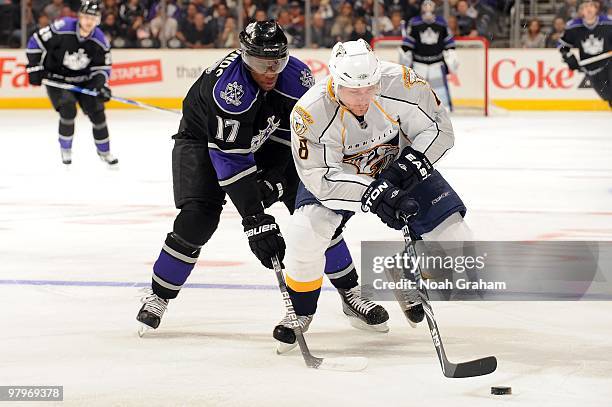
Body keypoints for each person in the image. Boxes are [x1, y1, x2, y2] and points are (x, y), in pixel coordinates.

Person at [136, 21, 384, 339]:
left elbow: (294, 140)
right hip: (203, 144)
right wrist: (255, 219)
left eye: (276, 62)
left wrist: (277, 181)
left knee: (317, 213)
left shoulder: (296, 77)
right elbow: (230, 160)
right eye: (260, 63)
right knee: (198, 218)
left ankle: (350, 293)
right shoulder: (229, 91)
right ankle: (159, 296)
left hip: (265, 140)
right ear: (244, 56)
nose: (269, 72)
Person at [273, 39, 471, 352]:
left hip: (401, 168)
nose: (364, 97)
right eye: (354, 90)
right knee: (304, 233)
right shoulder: (309, 113)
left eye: (370, 87)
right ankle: (299, 310)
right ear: (335, 82)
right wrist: (377, 194)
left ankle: (406, 272)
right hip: (343, 180)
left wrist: (400, 173)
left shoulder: (402, 83)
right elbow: (321, 180)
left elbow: (439, 130)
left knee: (458, 243)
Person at [26, 0, 118, 166]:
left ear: (98, 20)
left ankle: (105, 151)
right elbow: (36, 40)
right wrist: (34, 67)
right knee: (68, 109)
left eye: (93, 18)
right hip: (57, 79)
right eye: (86, 17)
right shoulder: (63, 26)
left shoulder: (100, 40)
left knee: (98, 113)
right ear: (79, 17)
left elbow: (102, 67)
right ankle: (66, 149)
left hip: (84, 81)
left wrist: (100, 85)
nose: (89, 21)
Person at [400, 0, 458, 110]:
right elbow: (407, 45)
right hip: (418, 64)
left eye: (430, 6)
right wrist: (405, 56)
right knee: (416, 90)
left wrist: (452, 55)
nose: (428, 9)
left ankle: (444, 110)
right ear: (421, 8)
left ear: (435, 9)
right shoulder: (415, 22)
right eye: (425, 6)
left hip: (437, 63)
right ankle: (413, 110)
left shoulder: (441, 23)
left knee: (440, 92)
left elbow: (449, 43)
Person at [559, 0, 611, 107]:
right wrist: (568, 57)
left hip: (609, 64)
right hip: (591, 69)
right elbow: (563, 46)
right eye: (585, 6)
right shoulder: (573, 27)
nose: (589, 9)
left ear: (596, 9)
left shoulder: (608, 23)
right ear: (581, 11)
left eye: (591, 5)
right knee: (607, 96)